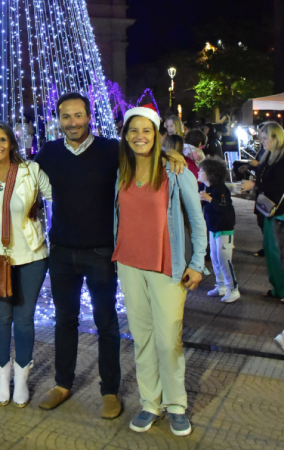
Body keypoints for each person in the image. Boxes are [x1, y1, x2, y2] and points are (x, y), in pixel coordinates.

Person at [34, 94, 187, 421]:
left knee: (106, 323)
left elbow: (144, 155)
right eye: (65, 117)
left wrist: (171, 153)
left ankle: (110, 390)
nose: (72, 122)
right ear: (58, 119)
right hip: (61, 251)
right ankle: (63, 383)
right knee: (65, 321)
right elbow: (19, 169)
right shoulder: (49, 152)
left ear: (89, 116)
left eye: (78, 115)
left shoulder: (110, 151)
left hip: (102, 251)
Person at [112, 103, 206, 437]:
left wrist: (197, 264)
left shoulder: (175, 170)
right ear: (125, 135)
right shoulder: (120, 170)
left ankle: (176, 405)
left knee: (169, 341)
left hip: (166, 268)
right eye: (133, 130)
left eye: (146, 130)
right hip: (129, 265)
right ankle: (151, 403)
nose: (140, 136)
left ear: (157, 135)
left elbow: (197, 220)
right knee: (143, 339)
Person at [0, 121, 52, 407]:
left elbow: (58, 196)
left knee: (23, 319)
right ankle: (1, 376)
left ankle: (21, 377)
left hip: (31, 256)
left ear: (12, 143)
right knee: (0, 320)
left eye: (2, 139)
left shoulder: (30, 171)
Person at [241, 121, 284, 302]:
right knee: (270, 249)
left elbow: (278, 185)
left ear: (276, 138)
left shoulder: (280, 158)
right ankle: (277, 288)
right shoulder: (268, 155)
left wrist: (255, 184)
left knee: (279, 251)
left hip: (279, 211)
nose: (262, 141)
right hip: (268, 210)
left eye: (265, 138)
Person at [199, 156, 239, 302]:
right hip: (213, 227)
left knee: (224, 259)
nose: (198, 173)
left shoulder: (221, 189)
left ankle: (233, 288)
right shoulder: (204, 187)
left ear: (210, 173)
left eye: (201, 170)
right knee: (215, 258)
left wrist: (209, 199)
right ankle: (221, 285)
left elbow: (225, 207)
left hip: (224, 228)